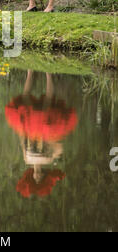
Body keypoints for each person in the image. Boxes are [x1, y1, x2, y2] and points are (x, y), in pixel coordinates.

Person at [5, 70, 78, 198]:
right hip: (44, 130)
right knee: (48, 102)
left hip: (29, 129)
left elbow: (23, 144)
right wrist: (50, 137)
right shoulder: (48, 160)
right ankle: (48, 74)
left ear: (31, 177)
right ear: (44, 176)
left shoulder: (27, 159)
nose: (37, 177)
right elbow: (57, 147)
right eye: (40, 179)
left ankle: (30, 73)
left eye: (35, 179)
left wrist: (21, 130)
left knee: (25, 97)